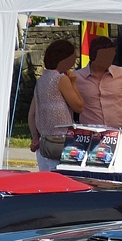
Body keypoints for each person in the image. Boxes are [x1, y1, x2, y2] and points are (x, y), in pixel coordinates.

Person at [28, 39, 84, 171]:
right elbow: (79, 106)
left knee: (47, 182)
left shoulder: (41, 79)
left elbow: (32, 113)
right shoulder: (61, 79)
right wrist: (74, 83)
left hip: (44, 141)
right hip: (60, 141)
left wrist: (35, 135)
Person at [74, 36, 122, 129]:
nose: (109, 59)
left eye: (111, 55)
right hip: (89, 133)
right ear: (93, 55)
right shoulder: (77, 77)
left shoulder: (121, 73)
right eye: (105, 55)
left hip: (118, 131)